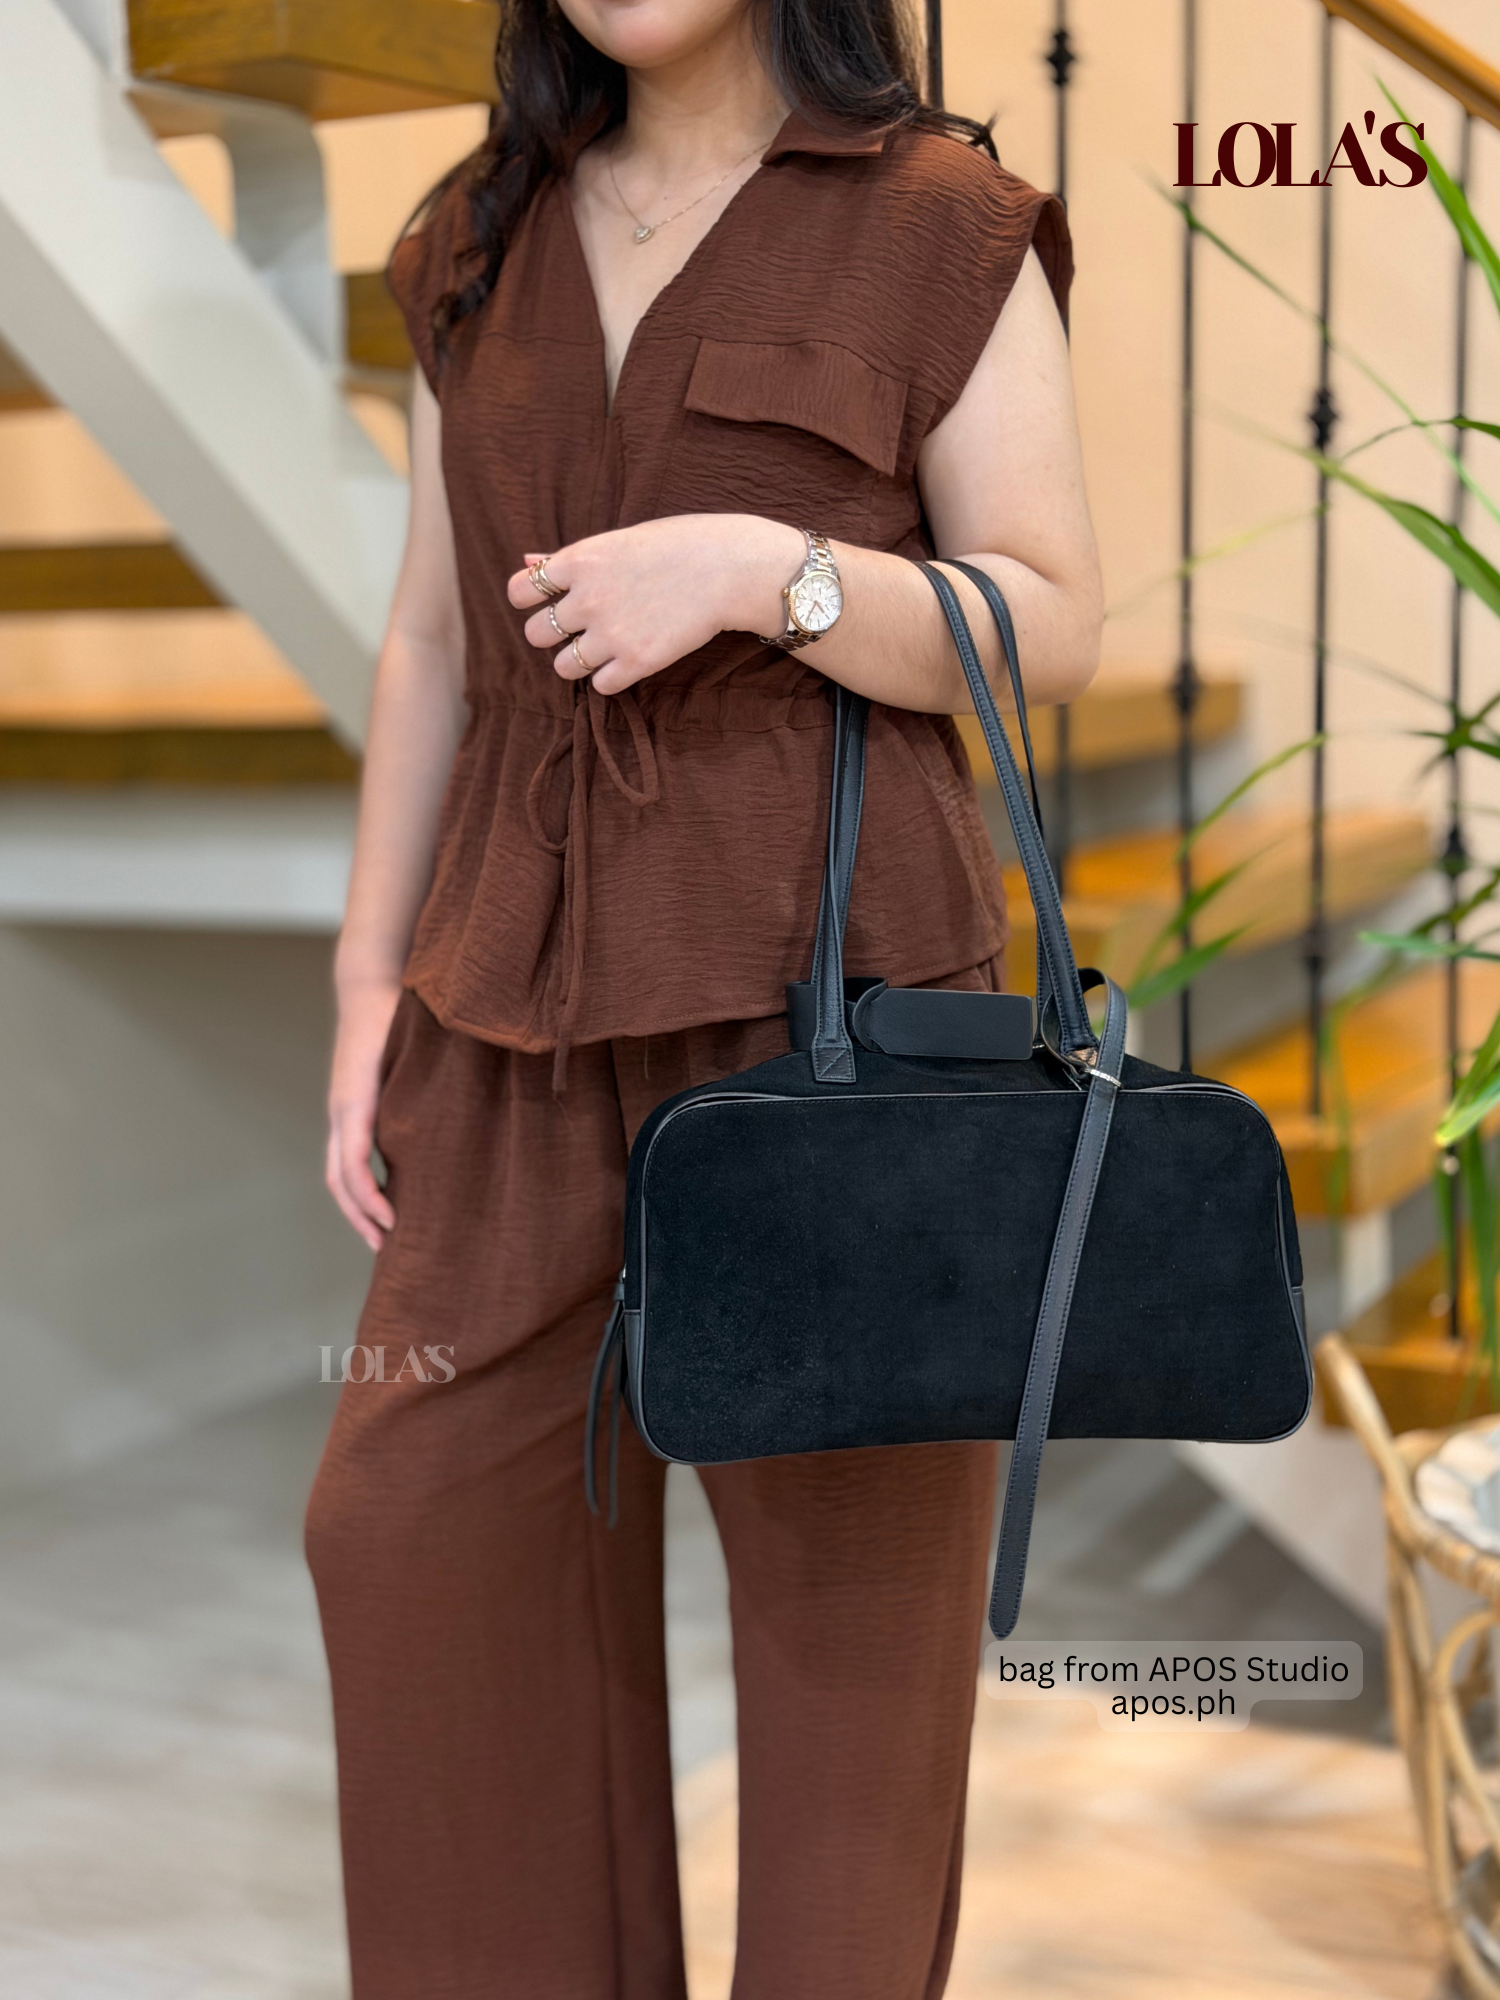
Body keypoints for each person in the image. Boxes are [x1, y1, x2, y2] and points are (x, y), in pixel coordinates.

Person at [306, 0, 1102, 1991]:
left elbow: (1050, 619)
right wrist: (366, 980)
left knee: (851, 1654)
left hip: (838, 1016)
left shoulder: (942, 223)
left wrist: (771, 574)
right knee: (406, 1534)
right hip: (505, 1001)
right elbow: (431, 641)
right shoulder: (474, 233)